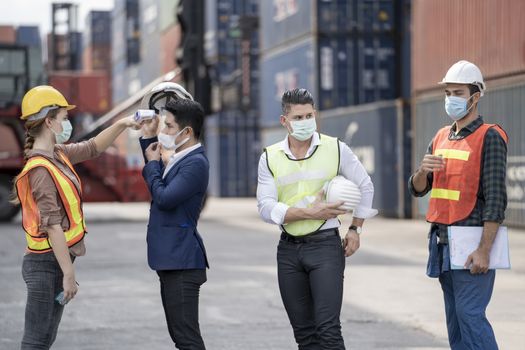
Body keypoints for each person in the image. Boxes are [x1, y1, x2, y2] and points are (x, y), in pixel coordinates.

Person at [12, 85, 140, 349]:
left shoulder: (58, 155)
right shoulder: (40, 169)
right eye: (64, 118)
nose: (67, 123)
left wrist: (123, 124)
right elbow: (52, 226)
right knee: (36, 340)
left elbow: (93, 147)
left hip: (56, 261)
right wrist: (68, 274)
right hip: (45, 265)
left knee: (45, 338)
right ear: (49, 122)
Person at [256, 88, 377, 349]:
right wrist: (309, 212)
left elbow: (366, 186)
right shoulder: (270, 156)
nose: (305, 122)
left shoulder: (335, 148)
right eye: (298, 118)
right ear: (284, 121)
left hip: (325, 248)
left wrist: (355, 229)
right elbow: (265, 207)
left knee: (328, 331)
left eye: (309, 115)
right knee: (304, 335)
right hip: (288, 251)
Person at [408, 60, 508, 349]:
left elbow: (496, 200)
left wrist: (484, 250)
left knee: (470, 316)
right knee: (455, 321)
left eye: (458, 92)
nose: (451, 99)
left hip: (471, 243)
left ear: (475, 96)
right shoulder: (441, 136)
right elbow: (418, 190)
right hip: (442, 244)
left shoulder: (489, 136)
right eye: (448, 92)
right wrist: (423, 171)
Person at [139, 97, 209, 350]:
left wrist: (153, 165)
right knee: (181, 337)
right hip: (172, 259)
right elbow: (155, 164)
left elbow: (165, 198)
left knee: (187, 339)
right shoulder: (181, 157)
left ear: (186, 131)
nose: (164, 131)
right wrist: (148, 140)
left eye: (168, 126)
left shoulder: (195, 163)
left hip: (183, 262)